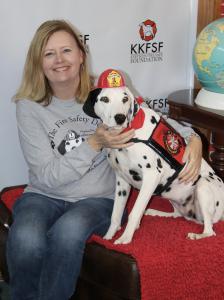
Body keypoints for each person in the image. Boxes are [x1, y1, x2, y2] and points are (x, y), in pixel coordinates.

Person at [6, 19, 202, 300]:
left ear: (81, 55)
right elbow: (47, 176)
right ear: (38, 61)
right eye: (49, 53)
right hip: (44, 194)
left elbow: (155, 119)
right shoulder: (28, 105)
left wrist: (192, 137)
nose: (59, 60)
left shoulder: (107, 92)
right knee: (25, 239)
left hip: (98, 198)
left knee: (67, 235)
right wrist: (95, 142)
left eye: (67, 51)